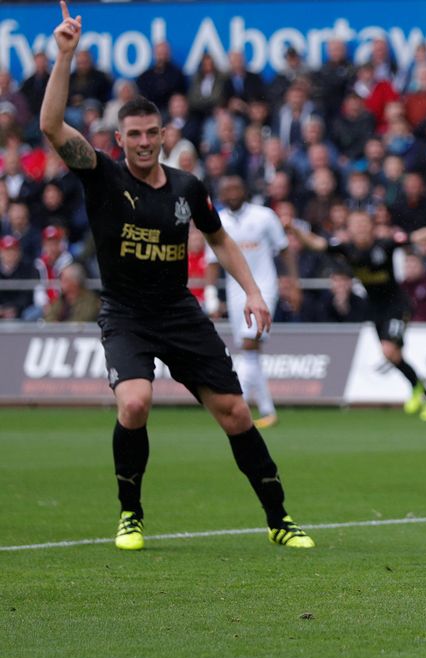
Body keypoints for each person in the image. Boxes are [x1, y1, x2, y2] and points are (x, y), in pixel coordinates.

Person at [40, 1, 313, 551]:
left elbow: (220, 238)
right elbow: (49, 125)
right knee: (135, 403)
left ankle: (280, 520)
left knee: (236, 414)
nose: (143, 141)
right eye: (134, 134)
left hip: (178, 311)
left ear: (164, 134)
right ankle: (130, 513)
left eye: (151, 133)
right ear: (119, 140)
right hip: (127, 316)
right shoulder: (101, 175)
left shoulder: (188, 188)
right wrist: (64, 56)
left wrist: (254, 290)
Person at [288, 210, 426, 420]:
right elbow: (315, 243)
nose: (360, 228)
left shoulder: (385, 244)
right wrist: (295, 229)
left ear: (371, 226)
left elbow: (417, 236)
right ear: (348, 229)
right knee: (394, 356)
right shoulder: (345, 249)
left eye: (363, 223)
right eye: (355, 224)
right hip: (376, 308)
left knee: (389, 352)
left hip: (396, 305)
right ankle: (422, 391)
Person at [204, 176, 291, 429]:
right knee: (249, 350)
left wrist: (292, 282)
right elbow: (211, 261)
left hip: (264, 288)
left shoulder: (264, 216)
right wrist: (211, 296)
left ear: (245, 189)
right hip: (234, 292)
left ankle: (234, 402)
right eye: (226, 189)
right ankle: (267, 410)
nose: (231, 193)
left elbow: (284, 249)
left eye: (236, 187)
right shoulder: (217, 220)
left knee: (249, 343)